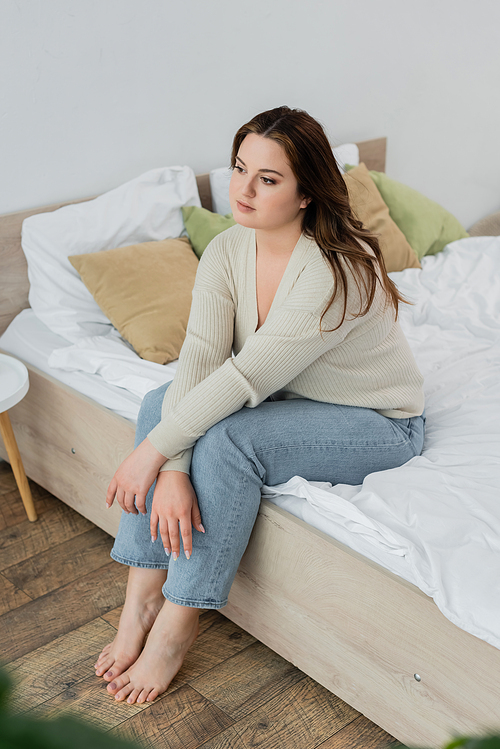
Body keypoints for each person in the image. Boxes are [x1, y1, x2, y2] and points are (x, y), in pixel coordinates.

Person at [95, 106, 425, 705]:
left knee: (226, 441)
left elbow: (246, 376)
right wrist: (169, 467)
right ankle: (141, 595)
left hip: (379, 424)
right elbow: (199, 361)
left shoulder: (335, 268)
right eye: (240, 169)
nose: (242, 191)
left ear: (306, 194)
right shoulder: (226, 251)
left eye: (267, 180)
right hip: (294, 400)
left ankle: (177, 623)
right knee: (158, 403)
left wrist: (153, 454)